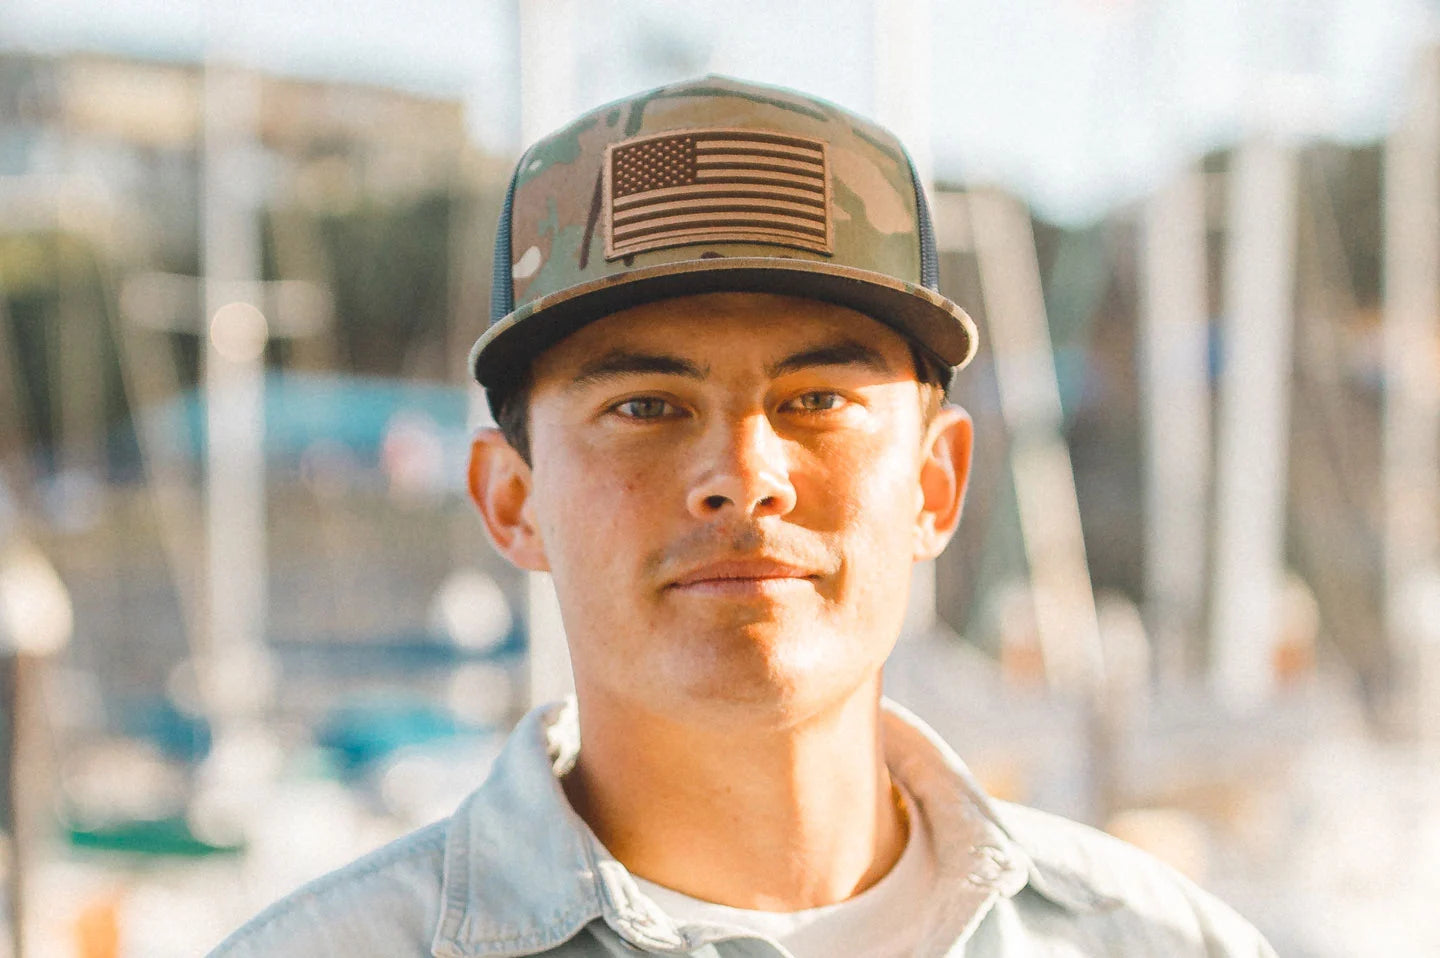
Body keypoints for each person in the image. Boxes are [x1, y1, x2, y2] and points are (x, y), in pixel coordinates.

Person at [210, 75, 1275, 957]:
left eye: (818, 401)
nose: (741, 474)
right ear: (512, 499)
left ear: (936, 483)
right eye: (645, 406)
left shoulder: (1165, 943)